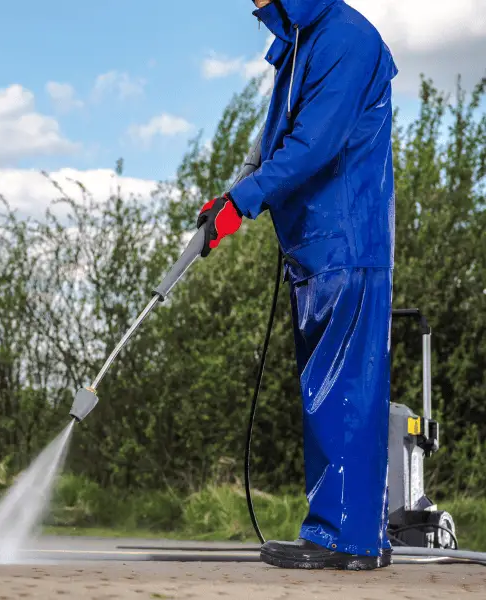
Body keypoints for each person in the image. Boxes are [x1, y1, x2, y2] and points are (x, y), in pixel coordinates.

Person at [196, 0, 398, 570]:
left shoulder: (345, 39)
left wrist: (244, 203)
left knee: (346, 393)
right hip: (316, 246)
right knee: (326, 394)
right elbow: (278, 143)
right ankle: (348, 533)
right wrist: (232, 195)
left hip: (346, 240)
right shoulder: (302, 42)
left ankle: (346, 538)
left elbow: (314, 145)